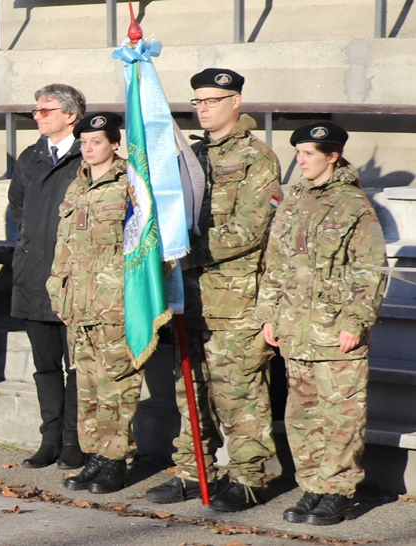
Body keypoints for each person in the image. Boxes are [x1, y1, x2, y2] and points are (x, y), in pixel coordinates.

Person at [146, 68, 281, 512]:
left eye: (212, 101)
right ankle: (193, 470)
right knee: (191, 389)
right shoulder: (190, 156)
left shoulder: (256, 157)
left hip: (234, 300)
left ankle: (249, 477)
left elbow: (251, 229)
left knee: (238, 393)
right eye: (198, 102)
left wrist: (188, 252)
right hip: (188, 294)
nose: (203, 109)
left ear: (235, 101)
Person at [260, 122, 386, 526]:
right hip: (295, 327)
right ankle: (313, 486)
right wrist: (269, 313)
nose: (300, 160)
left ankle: (338, 491)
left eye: (308, 153)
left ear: (333, 156)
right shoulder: (294, 200)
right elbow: (275, 262)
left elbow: (370, 268)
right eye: (298, 152)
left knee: (341, 416)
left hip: (334, 330)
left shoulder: (353, 204)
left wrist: (356, 320)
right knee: (302, 415)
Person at [48, 112, 139, 495]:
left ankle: (116, 459)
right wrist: (58, 290)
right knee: (87, 385)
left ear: (115, 144)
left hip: (114, 304)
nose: (87, 149)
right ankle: (95, 455)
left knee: (116, 384)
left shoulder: (131, 185)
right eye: (83, 142)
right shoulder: (77, 185)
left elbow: (144, 247)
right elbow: (64, 246)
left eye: (96, 142)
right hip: (80, 304)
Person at [9, 83, 86, 470]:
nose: (37, 116)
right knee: (45, 365)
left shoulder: (87, 155)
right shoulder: (30, 157)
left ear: (70, 115)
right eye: (36, 110)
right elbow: (18, 207)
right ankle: (50, 438)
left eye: (46, 110)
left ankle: (74, 439)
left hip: (74, 279)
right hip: (34, 276)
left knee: (77, 366)